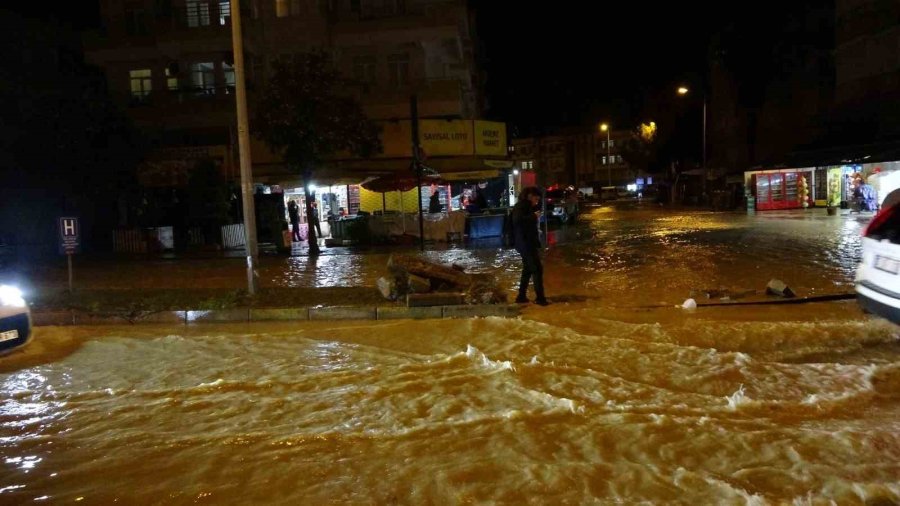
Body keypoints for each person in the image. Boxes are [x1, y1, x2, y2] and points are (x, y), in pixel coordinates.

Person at [511, 186, 549, 306]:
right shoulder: (521, 206)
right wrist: (534, 216)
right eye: (536, 198)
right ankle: (540, 299)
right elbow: (517, 221)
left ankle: (521, 296)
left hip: (526, 243)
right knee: (537, 269)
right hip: (525, 243)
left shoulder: (527, 206)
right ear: (530, 196)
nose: (536, 201)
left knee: (527, 270)